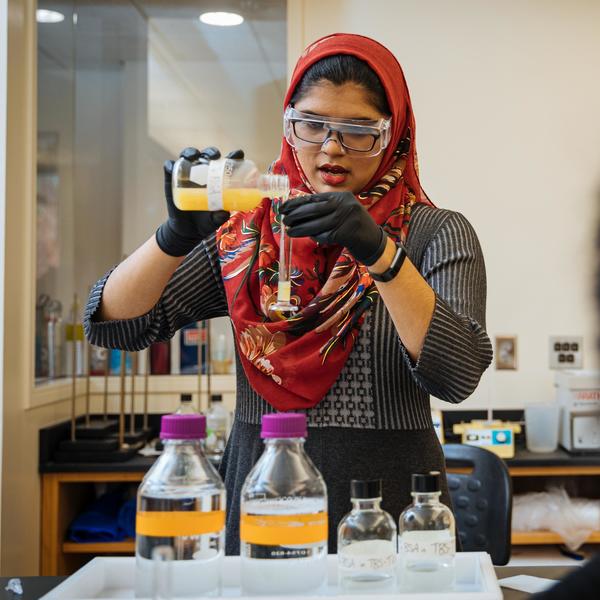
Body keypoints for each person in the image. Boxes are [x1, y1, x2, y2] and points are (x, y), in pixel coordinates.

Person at [84, 33, 493, 554]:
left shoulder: (437, 234)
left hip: (389, 512)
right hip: (261, 504)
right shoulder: (249, 237)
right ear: (288, 122)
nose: (331, 147)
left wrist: (381, 255)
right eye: (312, 124)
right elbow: (115, 324)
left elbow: (457, 374)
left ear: (393, 136)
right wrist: (174, 237)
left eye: (359, 131)